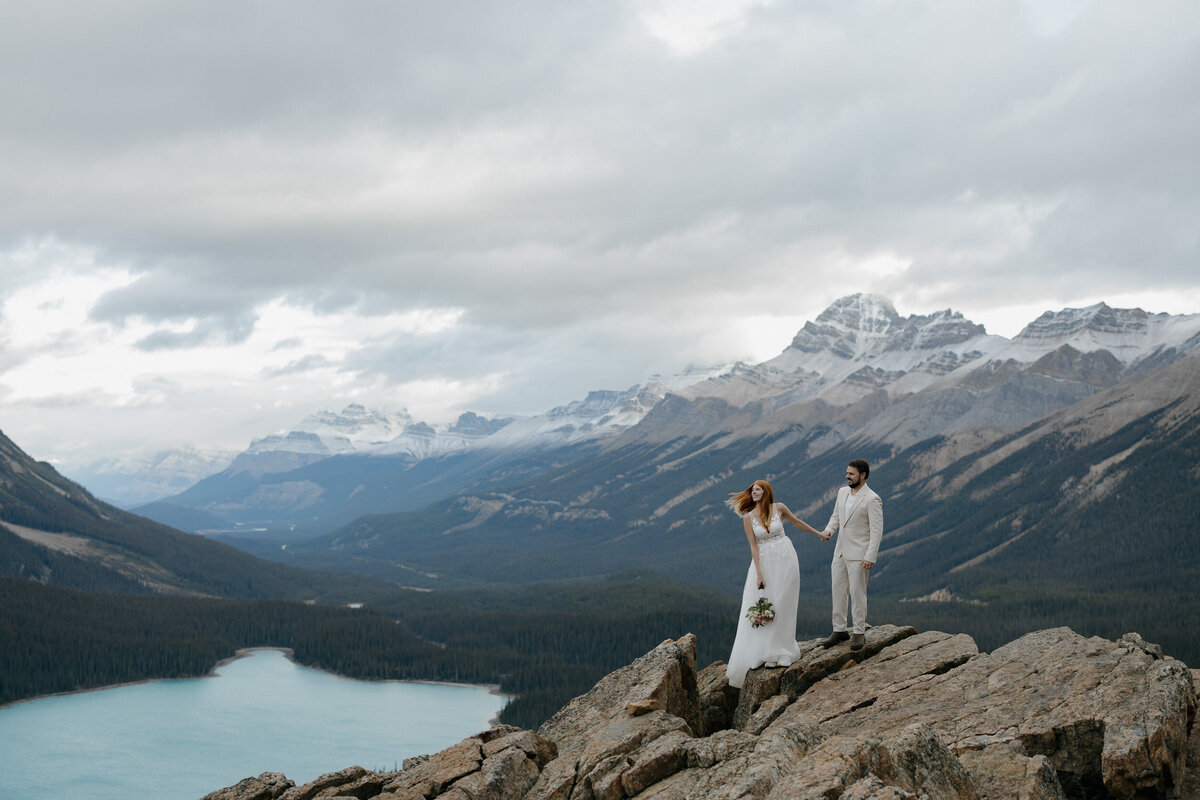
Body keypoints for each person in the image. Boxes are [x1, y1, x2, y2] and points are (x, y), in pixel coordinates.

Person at [725, 479, 828, 689]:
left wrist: (818, 533)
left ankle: (783, 650)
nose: (754, 493)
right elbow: (753, 546)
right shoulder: (747, 518)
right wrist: (759, 573)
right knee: (767, 605)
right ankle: (768, 652)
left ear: (766, 492)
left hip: (786, 558)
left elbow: (797, 522)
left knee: (784, 603)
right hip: (764, 562)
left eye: (758, 490)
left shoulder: (779, 508)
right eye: (752, 490)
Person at [820, 459, 884, 652]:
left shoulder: (872, 499)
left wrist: (870, 556)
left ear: (863, 475)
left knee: (857, 593)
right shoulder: (842, 492)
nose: (847, 476)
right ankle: (839, 630)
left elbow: (876, 531)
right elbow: (836, 516)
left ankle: (858, 631)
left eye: (851, 474)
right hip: (839, 551)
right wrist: (829, 530)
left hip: (859, 555)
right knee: (837, 590)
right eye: (847, 473)